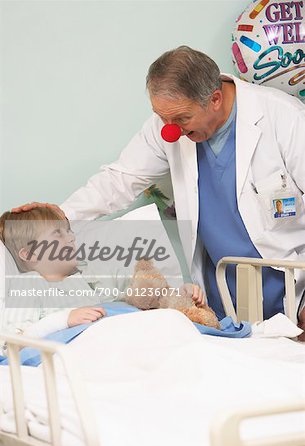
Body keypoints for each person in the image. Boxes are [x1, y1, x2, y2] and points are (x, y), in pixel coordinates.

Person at [11, 46, 305, 328]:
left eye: (181, 118)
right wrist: (60, 214)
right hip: (223, 294)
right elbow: (120, 179)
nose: (170, 129)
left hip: (295, 288)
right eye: (163, 118)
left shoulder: (284, 117)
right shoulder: (166, 125)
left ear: (215, 99)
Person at [0, 207, 204, 351]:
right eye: (58, 234)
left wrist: (181, 294)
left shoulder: (92, 274)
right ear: (30, 254)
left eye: (69, 231)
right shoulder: (28, 284)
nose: (71, 238)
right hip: (82, 351)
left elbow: (146, 294)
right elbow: (12, 342)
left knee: (171, 323)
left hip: (123, 342)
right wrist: (65, 319)